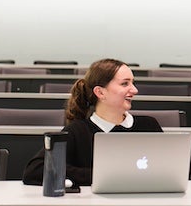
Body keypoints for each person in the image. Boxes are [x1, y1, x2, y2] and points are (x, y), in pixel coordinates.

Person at [22, 58, 161, 187]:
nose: (134, 90)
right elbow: (36, 170)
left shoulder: (149, 126)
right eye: (125, 83)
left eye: (132, 82)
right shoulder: (77, 131)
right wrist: (100, 176)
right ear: (100, 92)